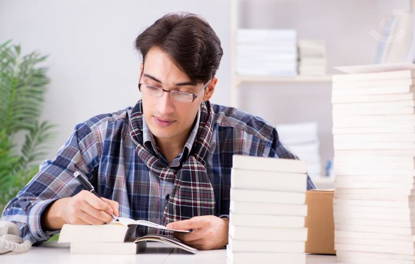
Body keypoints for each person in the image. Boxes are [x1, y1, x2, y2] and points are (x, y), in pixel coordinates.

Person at [1, 13, 314, 250]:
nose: (163, 108)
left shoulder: (252, 139)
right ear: (140, 74)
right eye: (152, 86)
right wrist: (58, 211)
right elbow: (11, 220)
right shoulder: (97, 137)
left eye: (181, 92)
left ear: (209, 89)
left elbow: (316, 219)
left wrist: (233, 231)